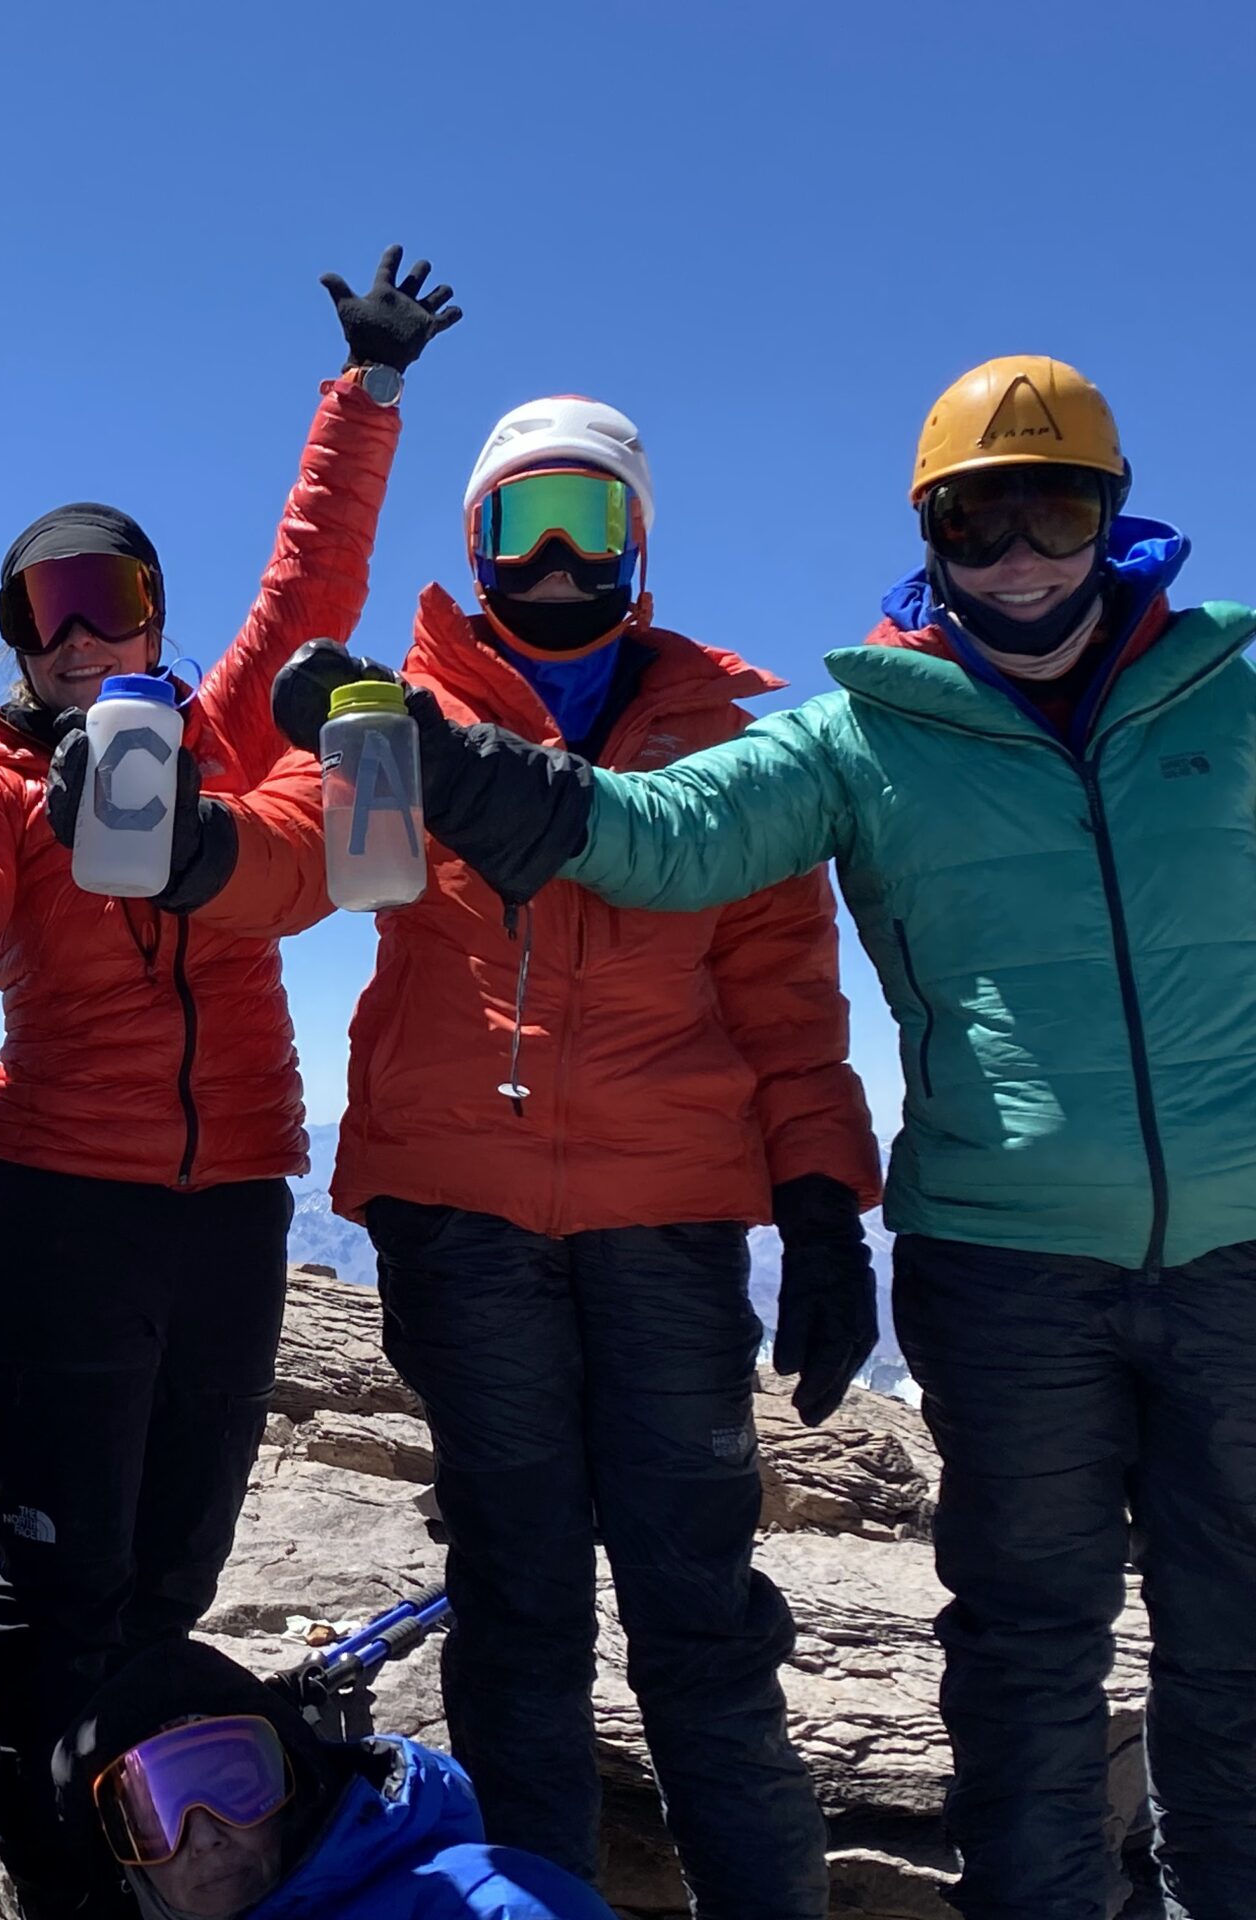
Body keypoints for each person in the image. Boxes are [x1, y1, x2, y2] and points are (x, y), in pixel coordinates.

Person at [369, 355, 1256, 1918]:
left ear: (1118, 516)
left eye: (1058, 510)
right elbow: (655, 837)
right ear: (931, 532)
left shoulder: (1234, 695)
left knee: (1238, 1639)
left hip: (1241, 1252)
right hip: (1007, 1263)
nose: (1022, 556)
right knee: (1029, 1646)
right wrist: (436, 764)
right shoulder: (859, 735)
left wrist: (819, 1202)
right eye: (979, 521)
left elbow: (774, 996)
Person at [0, 247, 450, 1918]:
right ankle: (57, 1870)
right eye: (45, 617)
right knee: (64, 1591)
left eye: (108, 602)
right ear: (15, 649)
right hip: (62, 1212)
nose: (78, 638)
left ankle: (149, 1849)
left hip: (232, 1212)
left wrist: (370, 391)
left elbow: (315, 574)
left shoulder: (218, 738)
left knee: (177, 1574)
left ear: (151, 617)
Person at [268, 398, 881, 1913]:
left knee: (701, 1619)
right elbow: (296, 858)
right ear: (473, 546)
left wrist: (821, 1207)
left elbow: (791, 1002)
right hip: (463, 1216)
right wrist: (230, 801)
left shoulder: (726, 752)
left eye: (587, 521)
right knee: (521, 1601)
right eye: (517, 522)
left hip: (670, 1225)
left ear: (641, 544)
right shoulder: (392, 715)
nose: (550, 557)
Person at [52, 1638, 618, 1920]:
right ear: (121, 1860)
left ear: (297, 1781)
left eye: (233, 1785)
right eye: (154, 1819)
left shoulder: (486, 1902)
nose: (204, 1837)